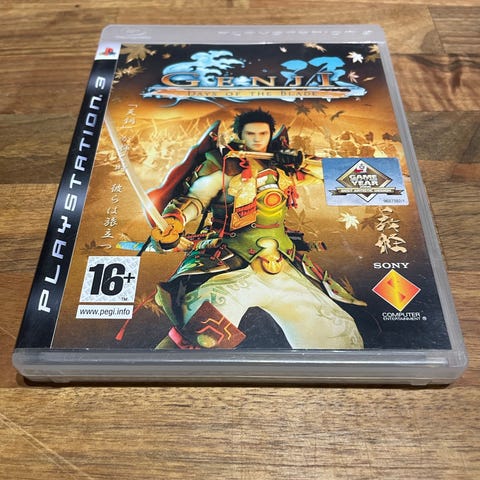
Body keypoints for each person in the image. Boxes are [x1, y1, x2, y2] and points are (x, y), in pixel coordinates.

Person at [151, 108, 364, 350]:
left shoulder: (284, 166)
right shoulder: (225, 165)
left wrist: (302, 161)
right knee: (205, 333)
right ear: (240, 135)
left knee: (337, 333)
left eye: (263, 133)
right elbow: (196, 198)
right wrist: (175, 221)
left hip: (281, 262)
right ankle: (161, 370)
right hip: (231, 263)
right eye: (250, 133)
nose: (257, 139)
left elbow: (340, 177)